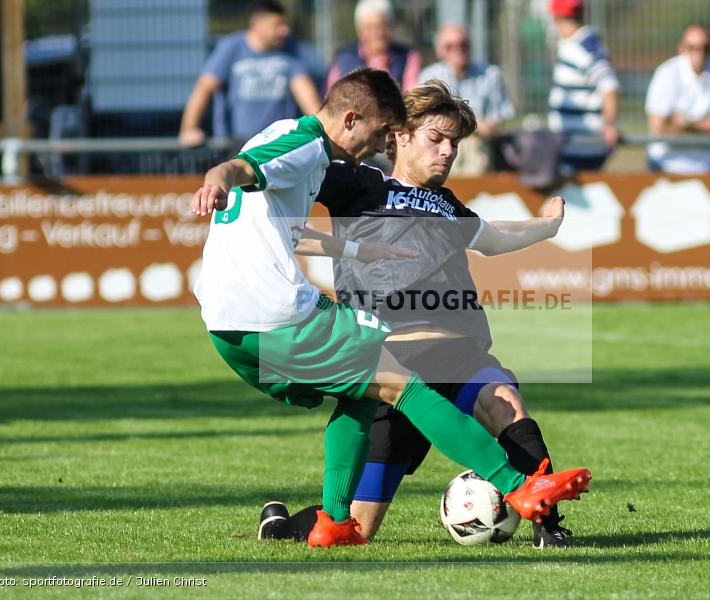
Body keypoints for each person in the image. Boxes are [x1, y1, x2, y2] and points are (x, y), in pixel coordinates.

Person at [191, 68, 592, 547]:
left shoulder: (448, 205)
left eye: (454, 144)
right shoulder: (351, 177)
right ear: (400, 135)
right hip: (387, 344)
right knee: (365, 519)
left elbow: (494, 237)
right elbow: (263, 179)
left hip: (454, 352)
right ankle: (299, 525)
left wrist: (546, 227)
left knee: (503, 400)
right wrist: (221, 180)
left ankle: (547, 524)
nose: (447, 152)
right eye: (436, 139)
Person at [179, 0, 321, 147]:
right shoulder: (232, 48)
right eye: (277, 25)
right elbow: (204, 87)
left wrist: (320, 130)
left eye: (284, 25)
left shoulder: (291, 50)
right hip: (235, 146)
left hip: (277, 147)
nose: (285, 30)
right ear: (256, 25)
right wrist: (189, 129)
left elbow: (306, 92)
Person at [418, 24, 515, 175]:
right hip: (441, 139)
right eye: (450, 46)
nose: (458, 50)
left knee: (472, 146)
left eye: (463, 45)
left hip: (478, 142)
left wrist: (480, 127)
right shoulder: (430, 76)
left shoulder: (490, 75)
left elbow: (501, 119)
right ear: (440, 51)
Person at [645, 23, 710, 174]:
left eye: (706, 48)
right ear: (681, 48)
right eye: (692, 47)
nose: (699, 53)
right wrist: (708, 124)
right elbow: (658, 126)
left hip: (709, 166)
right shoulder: (667, 73)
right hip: (666, 165)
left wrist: (687, 124)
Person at [547, 0, 620, 173]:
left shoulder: (584, 47)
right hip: (573, 144)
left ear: (557, 18)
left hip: (582, 146)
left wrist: (609, 124)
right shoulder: (577, 43)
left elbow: (609, 86)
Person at [326, 0, 421, 92]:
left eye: (383, 25)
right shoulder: (343, 59)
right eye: (371, 27)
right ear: (360, 30)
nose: (378, 33)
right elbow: (331, 97)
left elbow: (411, 94)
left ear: (391, 27)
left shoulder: (408, 56)